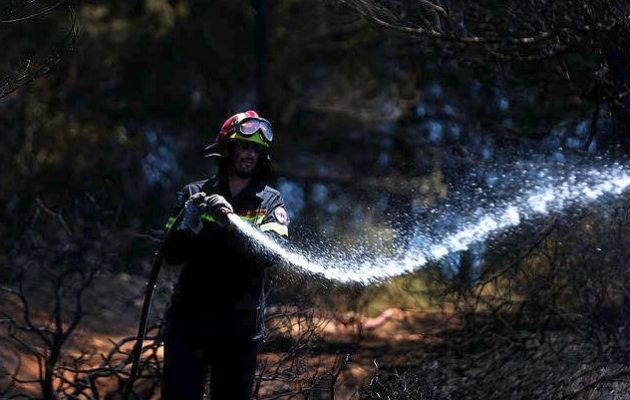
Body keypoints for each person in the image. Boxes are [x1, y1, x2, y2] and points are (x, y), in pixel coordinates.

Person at [160, 110, 290, 400]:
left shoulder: (270, 201)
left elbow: (270, 254)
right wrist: (187, 223)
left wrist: (230, 224)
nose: (250, 154)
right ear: (228, 148)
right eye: (244, 146)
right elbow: (169, 254)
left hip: (238, 331)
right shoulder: (194, 193)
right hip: (188, 324)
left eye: (256, 149)